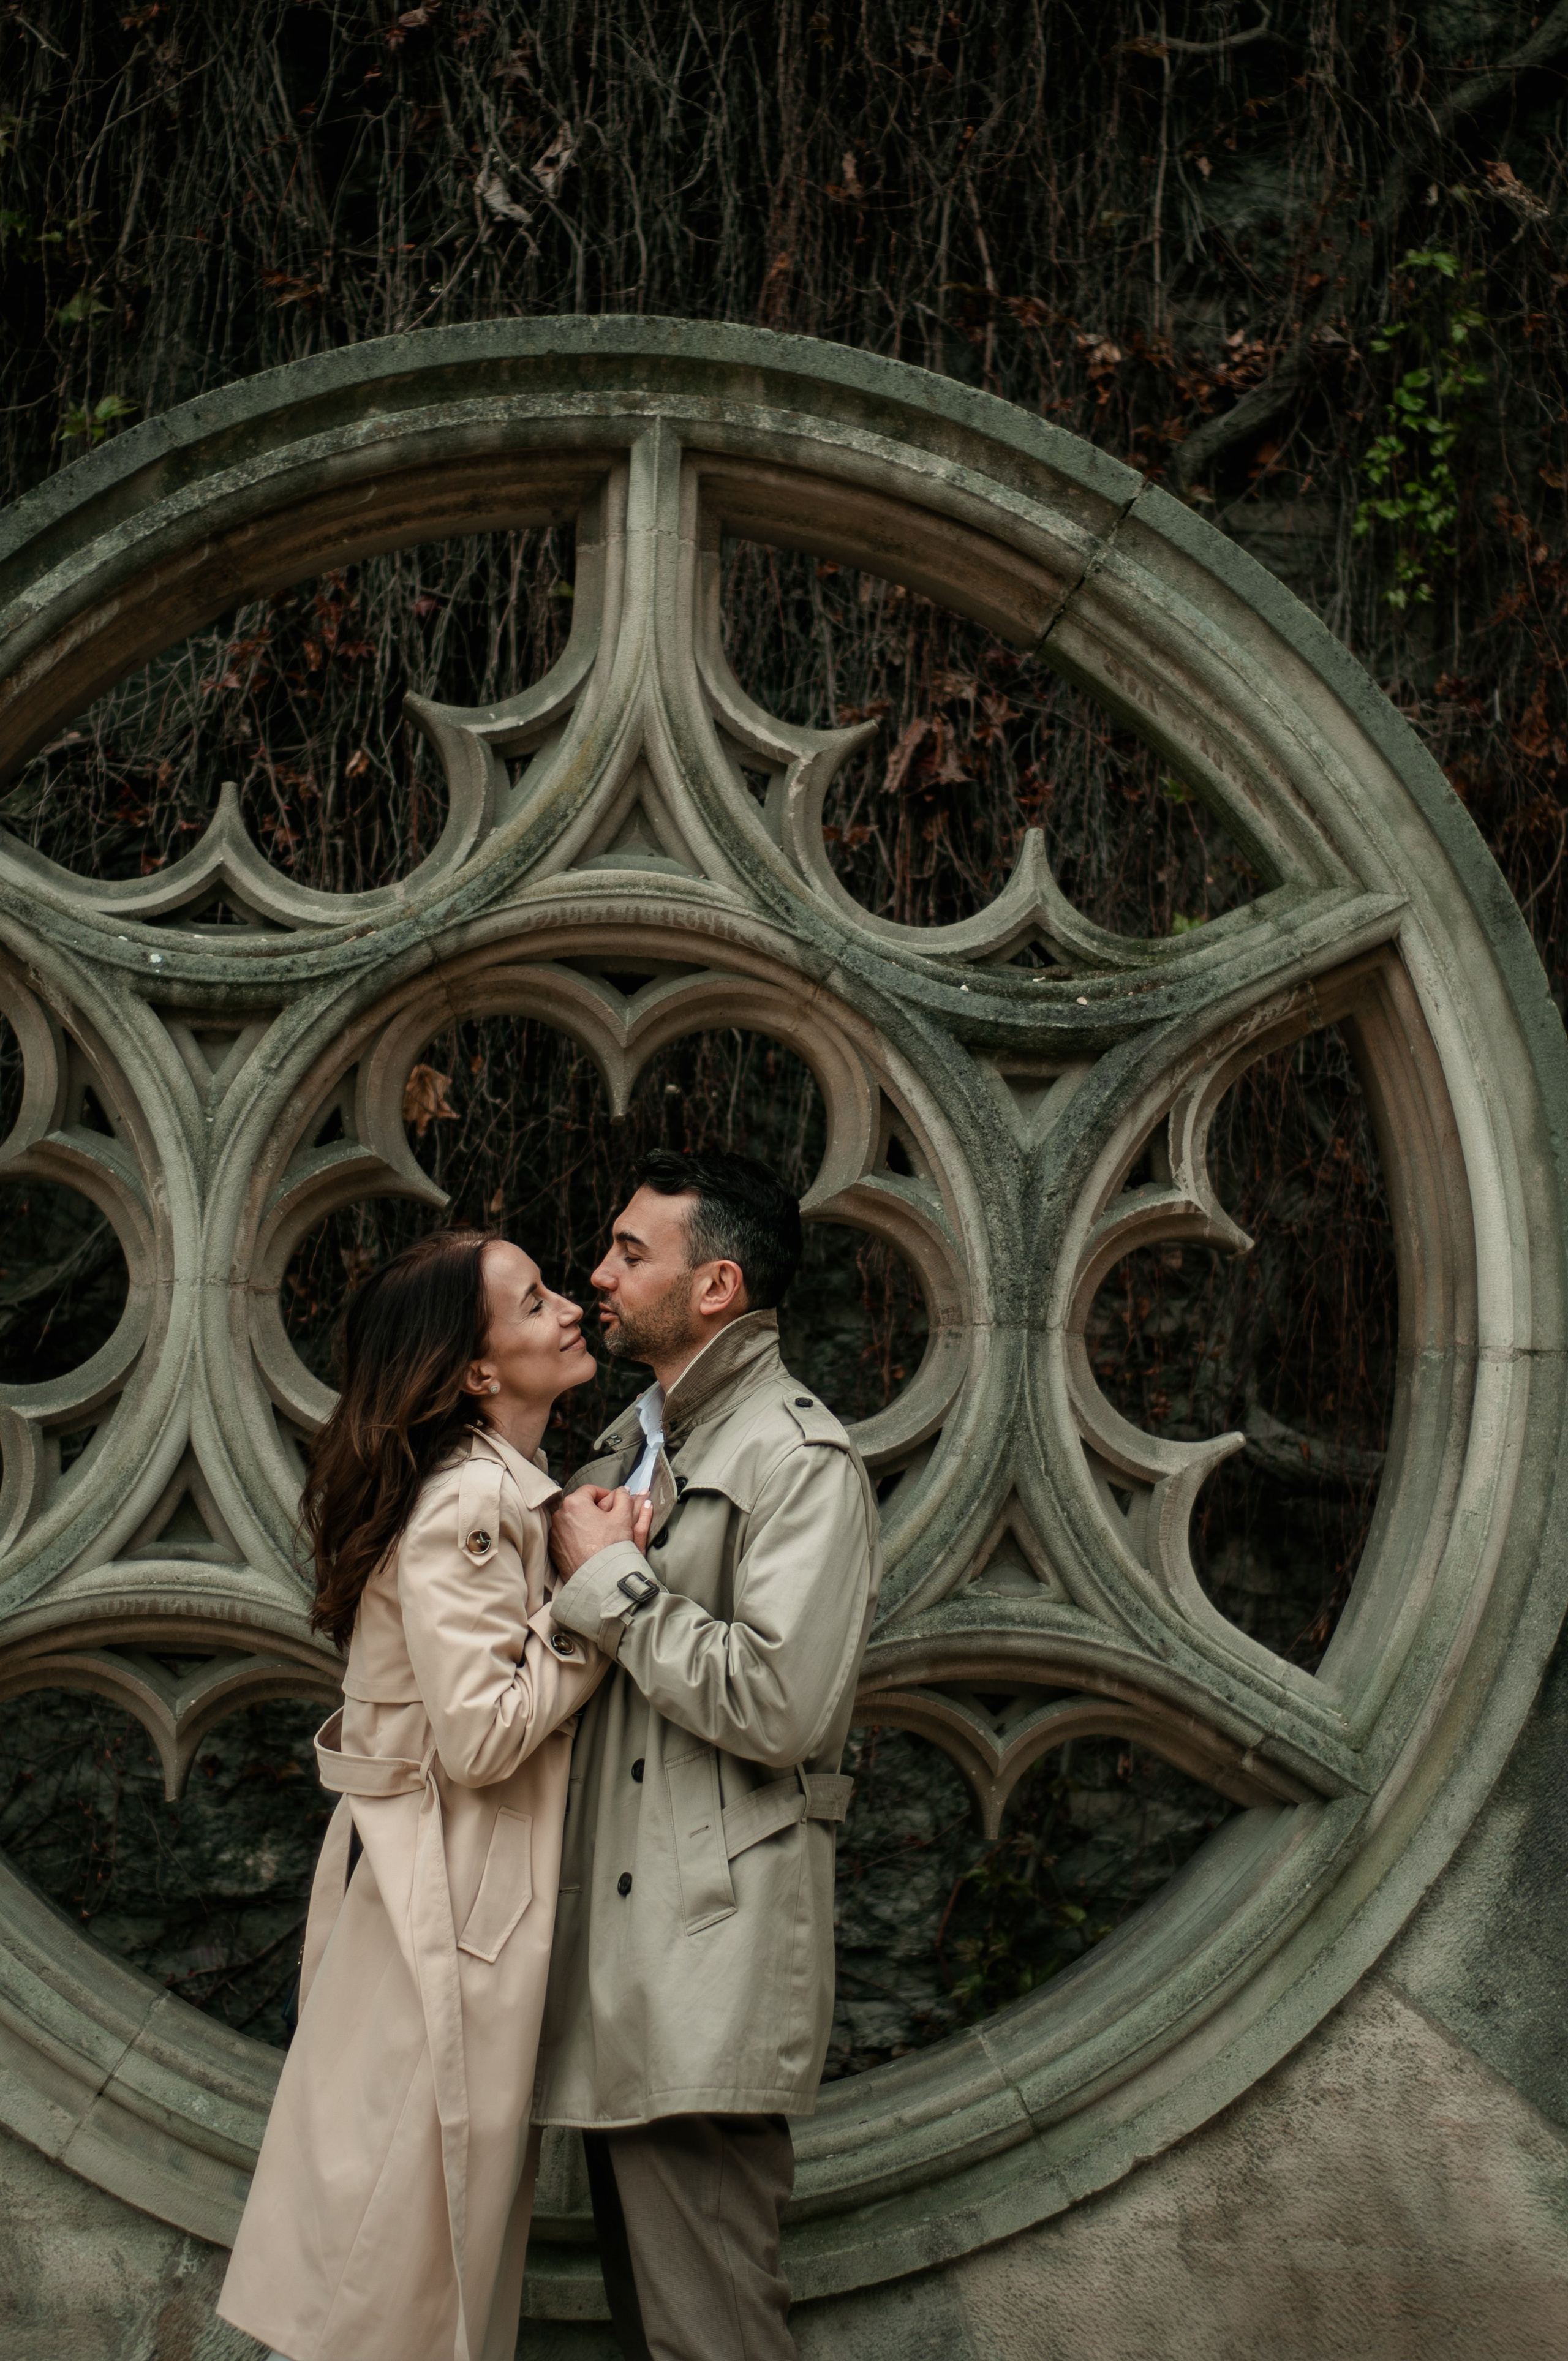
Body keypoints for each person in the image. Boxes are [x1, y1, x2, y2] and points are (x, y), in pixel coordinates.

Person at [218, 1228, 635, 2361]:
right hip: (449, 1906)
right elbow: (485, 1734)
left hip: (442, 1892)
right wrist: (600, 1594)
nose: (570, 1307)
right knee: (403, 2253)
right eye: (534, 1301)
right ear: (478, 1370)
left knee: (405, 2243)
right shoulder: (471, 1505)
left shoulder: (493, 1490)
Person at [537, 1148, 884, 2361]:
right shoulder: (622, 1450)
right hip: (615, 1966)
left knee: (710, 2335)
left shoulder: (798, 1460)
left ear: (717, 1286)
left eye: (630, 1252)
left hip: (704, 1965)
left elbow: (779, 1705)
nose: (597, 1273)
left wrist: (611, 1585)